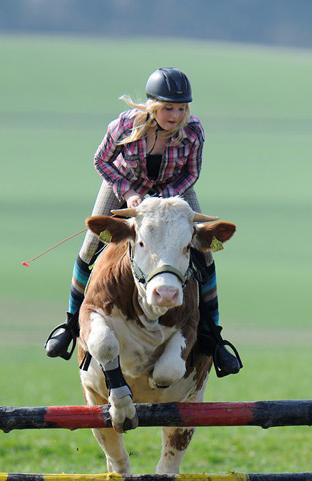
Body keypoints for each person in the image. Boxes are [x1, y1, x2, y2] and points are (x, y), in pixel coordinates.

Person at [45, 67, 242, 376]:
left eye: (181, 108)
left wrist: (165, 199)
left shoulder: (194, 131)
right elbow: (101, 160)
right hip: (123, 188)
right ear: (152, 105)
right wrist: (130, 192)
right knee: (89, 247)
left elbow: (191, 173)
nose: (175, 115)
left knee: (204, 253)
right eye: (168, 108)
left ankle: (213, 338)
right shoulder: (123, 125)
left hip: (174, 193)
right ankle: (70, 326)